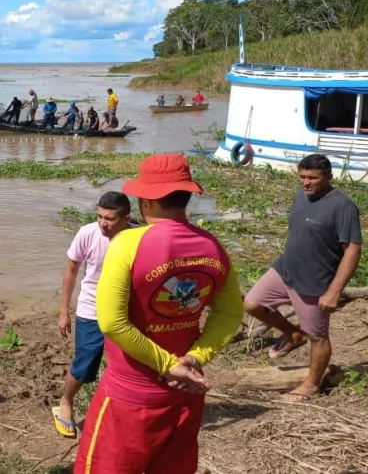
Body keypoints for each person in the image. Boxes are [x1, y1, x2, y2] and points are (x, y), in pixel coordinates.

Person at [74, 153, 244, 474]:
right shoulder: (213, 246)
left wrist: (167, 365)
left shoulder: (127, 243)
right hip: (186, 391)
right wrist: (193, 359)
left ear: (146, 201)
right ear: (186, 197)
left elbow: (112, 322)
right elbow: (230, 314)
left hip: (131, 396)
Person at [243, 154, 361, 401]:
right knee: (252, 304)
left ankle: (311, 385)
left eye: (313, 178)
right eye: (302, 177)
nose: (306, 183)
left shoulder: (343, 206)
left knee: (317, 336)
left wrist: (334, 291)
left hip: (314, 282)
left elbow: (352, 250)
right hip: (285, 270)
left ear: (329, 177)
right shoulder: (301, 196)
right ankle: (293, 334)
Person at [54, 192, 133, 438]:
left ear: (126, 218)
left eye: (109, 218)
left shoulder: (137, 237)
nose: (102, 223)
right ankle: (66, 401)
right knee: (85, 362)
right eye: (99, 216)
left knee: (127, 363)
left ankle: (120, 408)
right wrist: (64, 312)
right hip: (91, 309)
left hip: (125, 311)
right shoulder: (87, 233)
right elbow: (71, 270)